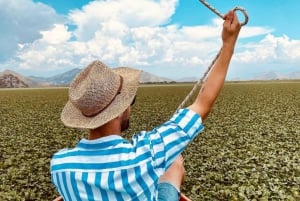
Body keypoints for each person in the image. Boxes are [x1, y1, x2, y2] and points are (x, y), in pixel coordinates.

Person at [50, 10, 241, 201]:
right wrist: (228, 44)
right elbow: (202, 103)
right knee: (174, 163)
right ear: (119, 110)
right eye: (129, 101)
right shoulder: (148, 154)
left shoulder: (60, 165)